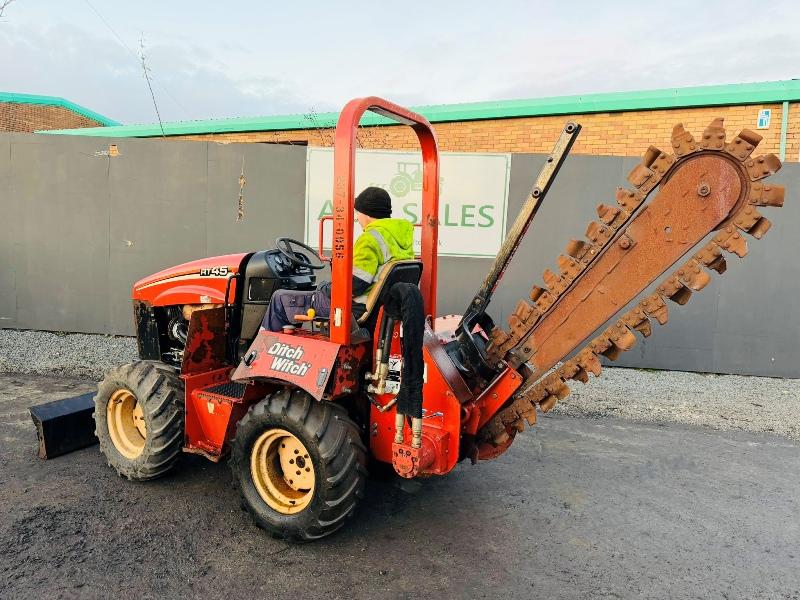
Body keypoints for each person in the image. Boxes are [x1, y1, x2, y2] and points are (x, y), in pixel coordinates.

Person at [262, 186, 415, 331]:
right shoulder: (400, 238)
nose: (357, 217)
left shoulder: (370, 239)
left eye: (357, 212)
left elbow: (354, 285)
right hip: (378, 307)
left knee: (280, 297)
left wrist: (325, 287)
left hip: (354, 307)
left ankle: (262, 353)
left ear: (367, 213)